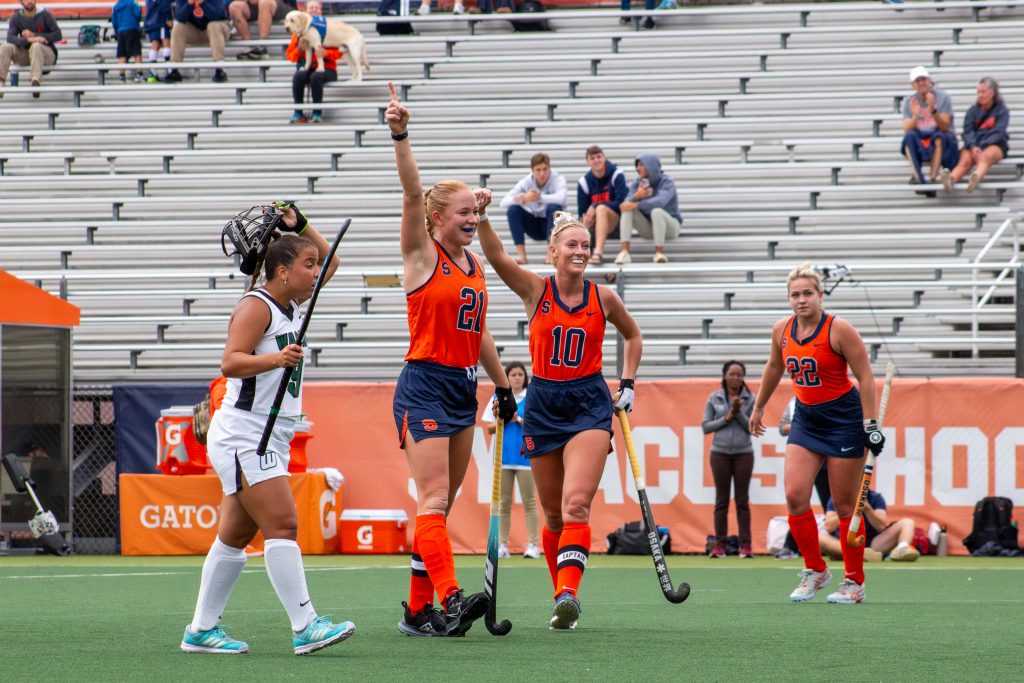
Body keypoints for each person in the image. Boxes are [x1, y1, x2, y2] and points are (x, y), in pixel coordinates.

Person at [181, 202, 355, 655]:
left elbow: (332, 260)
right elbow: (230, 362)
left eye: (315, 265)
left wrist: (303, 226)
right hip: (245, 432)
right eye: (306, 265)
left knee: (235, 535)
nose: (317, 271)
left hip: (266, 432)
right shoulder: (257, 305)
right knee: (283, 522)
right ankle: (306, 624)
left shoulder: (291, 303)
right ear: (280, 271)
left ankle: (200, 630)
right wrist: (276, 359)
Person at [385, 81, 518, 638]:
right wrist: (401, 135)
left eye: (475, 211)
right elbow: (414, 193)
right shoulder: (422, 254)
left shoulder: (472, 266)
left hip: (464, 388)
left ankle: (417, 613)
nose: (471, 218)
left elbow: (478, 332)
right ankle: (451, 597)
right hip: (425, 384)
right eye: (462, 212)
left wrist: (502, 387)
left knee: (439, 506)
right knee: (434, 498)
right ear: (438, 218)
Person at [475, 199, 642, 629]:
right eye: (571, 245)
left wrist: (627, 384)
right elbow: (495, 257)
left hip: (588, 403)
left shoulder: (603, 296)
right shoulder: (536, 290)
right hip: (545, 404)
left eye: (585, 245)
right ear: (553, 251)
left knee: (576, 505)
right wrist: (485, 216)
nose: (579, 252)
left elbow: (633, 335)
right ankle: (561, 597)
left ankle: (569, 591)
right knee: (551, 515)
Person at [749, 261, 885, 605]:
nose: (801, 300)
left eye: (808, 293)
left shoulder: (839, 330)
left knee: (843, 506)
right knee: (795, 496)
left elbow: (865, 377)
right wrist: (759, 406)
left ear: (820, 295)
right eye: (795, 295)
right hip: (807, 420)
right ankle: (815, 571)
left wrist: (871, 425)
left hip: (843, 419)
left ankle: (854, 582)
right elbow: (774, 366)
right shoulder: (782, 329)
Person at [480, 361, 541, 559]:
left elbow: (538, 424)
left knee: (530, 502)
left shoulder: (531, 398)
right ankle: (502, 545)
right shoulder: (499, 398)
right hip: (503, 458)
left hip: (526, 458)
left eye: (520, 374)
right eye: (513, 374)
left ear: (525, 377)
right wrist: (507, 419)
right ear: (507, 377)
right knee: (503, 504)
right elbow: (489, 428)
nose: (516, 378)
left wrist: (520, 420)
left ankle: (533, 544)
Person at [702, 360, 755, 559]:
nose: (736, 378)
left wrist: (737, 412)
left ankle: (746, 546)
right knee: (721, 501)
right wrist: (727, 417)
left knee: (742, 501)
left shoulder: (750, 399)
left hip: (744, 453)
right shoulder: (714, 398)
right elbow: (706, 427)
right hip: (720, 453)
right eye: (732, 373)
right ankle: (720, 546)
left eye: (739, 374)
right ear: (725, 376)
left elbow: (751, 427)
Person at [941, 77, 1010, 194]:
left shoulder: (1001, 110)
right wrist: (973, 146)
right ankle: (950, 180)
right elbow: (967, 131)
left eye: (983, 92)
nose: (980, 95)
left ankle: (976, 176)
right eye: (978, 92)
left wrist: (982, 146)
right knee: (965, 161)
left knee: (985, 157)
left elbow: (999, 132)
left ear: (992, 93)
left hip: (994, 144)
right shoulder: (972, 111)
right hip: (973, 145)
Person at [499, 152, 568, 265]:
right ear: (532, 170)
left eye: (545, 169)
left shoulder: (558, 178)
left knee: (554, 208)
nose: (542, 173)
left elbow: (560, 199)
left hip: (557, 227)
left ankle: (550, 255)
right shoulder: (527, 181)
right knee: (513, 210)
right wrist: (524, 198)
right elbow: (503, 203)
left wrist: (538, 197)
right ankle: (522, 257)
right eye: (538, 170)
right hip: (536, 225)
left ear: (549, 169)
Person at [616, 152, 682, 264]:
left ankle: (659, 253)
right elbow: (624, 206)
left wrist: (637, 204)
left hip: (670, 228)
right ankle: (624, 252)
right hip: (649, 228)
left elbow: (660, 202)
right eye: (637, 165)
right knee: (628, 209)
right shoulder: (638, 183)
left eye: (642, 165)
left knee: (656, 211)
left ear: (651, 166)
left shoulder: (666, 182)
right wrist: (637, 196)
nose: (638, 168)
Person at [819, 491, 921, 563]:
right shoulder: (836, 498)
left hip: (872, 545)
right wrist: (850, 510)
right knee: (819, 537)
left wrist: (867, 508)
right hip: (845, 543)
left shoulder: (875, 498)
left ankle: (902, 548)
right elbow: (829, 527)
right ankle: (861, 554)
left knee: (907, 522)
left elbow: (881, 526)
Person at [900, 66, 957, 190]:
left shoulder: (942, 97)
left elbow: (945, 127)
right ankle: (919, 177)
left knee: (939, 137)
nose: (921, 83)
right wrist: (915, 115)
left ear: (929, 80)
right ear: (913, 85)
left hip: (942, 139)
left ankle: (932, 178)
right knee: (908, 138)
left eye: (923, 79)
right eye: (917, 81)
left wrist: (933, 111)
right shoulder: (909, 101)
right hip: (921, 138)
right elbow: (907, 129)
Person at [286, 0, 338, 124]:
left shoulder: (328, 29)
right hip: (307, 67)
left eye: (317, 7)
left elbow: (339, 52)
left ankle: (317, 114)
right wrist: (300, 49)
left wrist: (326, 53)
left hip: (327, 68)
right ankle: (298, 113)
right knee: (298, 76)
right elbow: (290, 56)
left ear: (321, 11)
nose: (314, 10)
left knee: (316, 76)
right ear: (305, 12)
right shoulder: (298, 32)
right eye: (311, 8)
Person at [577, 145, 628, 265]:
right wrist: (585, 222)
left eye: (599, 156)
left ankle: (598, 253)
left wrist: (596, 205)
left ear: (604, 158)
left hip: (617, 222)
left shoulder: (617, 174)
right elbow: (583, 211)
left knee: (600, 209)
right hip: (595, 223)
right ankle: (588, 255)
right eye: (592, 158)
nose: (596, 160)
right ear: (588, 162)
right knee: (584, 220)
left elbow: (621, 202)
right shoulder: (584, 182)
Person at [0, 0, 61, 97]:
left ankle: (35, 81)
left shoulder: (45, 15)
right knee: (5, 47)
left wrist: (35, 35)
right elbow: (10, 38)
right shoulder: (16, 17)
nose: (30, 1)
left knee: (36, 45)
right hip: (26, 55)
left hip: (46, 55)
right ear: (21, 1)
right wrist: (28, 40)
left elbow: (58, 35)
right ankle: (1, 82)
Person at [165, 0, 230, 83]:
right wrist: (189, 4)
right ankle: (174, 68)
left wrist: (203, 3)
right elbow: (180, 17)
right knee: (178, 28)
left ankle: (220, 68)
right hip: (196, 29)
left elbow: (216, 15)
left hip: (219, 26)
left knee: (213, 26)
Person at [230, 0, 295, 60]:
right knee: (234, 7)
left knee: (264, 2)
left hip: (281, 5)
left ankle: (262, 47)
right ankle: (249, 47)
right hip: (254, 6)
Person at [111, 0, 144, 83]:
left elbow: (114, 22)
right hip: (132, 29)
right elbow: (138, 14)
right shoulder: (133, 2)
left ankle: (121, 76)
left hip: (120, 31)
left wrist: (117, 30)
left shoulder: (116, 5)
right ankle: (139, 74)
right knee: (137, 53)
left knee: (122, 54)